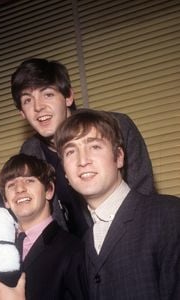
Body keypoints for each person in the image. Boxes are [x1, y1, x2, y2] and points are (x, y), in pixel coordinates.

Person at [11, 58, 156, 238]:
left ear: (68, 97)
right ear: (22, 113)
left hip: (128, 240)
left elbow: (143, 192)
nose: (38, 107)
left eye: (47, 94)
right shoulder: (29, 151)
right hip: (73, 257)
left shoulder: (117, 126)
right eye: (27, 100)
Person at [54, 109, 180, 299]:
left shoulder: (169, 215)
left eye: (94, 146)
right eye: (71, 152)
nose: (82, 160)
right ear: (65, 174)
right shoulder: (85, 243)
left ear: (119, 157)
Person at [0, 153, 87, 300]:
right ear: (5, 200)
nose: (19, 189)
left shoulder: (73, 250)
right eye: (11, 185)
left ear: (49, 190)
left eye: (29, 180)